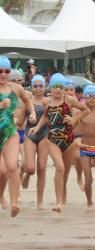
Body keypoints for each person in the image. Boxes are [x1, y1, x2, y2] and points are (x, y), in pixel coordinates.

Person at [27, 73, 82, 213]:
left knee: (66, 172)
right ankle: (58, 203)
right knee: (60, 167)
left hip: (68, 139)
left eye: (60, 87)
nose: (58, 89)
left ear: (64, 88)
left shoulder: (69, 100)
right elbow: (46, 116)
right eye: (55, 87)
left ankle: (63, 191)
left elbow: (86, 110)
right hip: (52, 139)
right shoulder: (48, 102)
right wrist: (37, 128)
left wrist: (74, 119)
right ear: (50, 88)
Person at [0, 57, 35, 217]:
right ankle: (1, 195)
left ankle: (14, 203)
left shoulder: (15, 88)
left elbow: (27, 99)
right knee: (2, 171)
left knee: (12, 167)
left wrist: (32, 112)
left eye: (6, 71)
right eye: (0, 71)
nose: (3, 74)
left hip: (10, 133)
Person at [21, 76, 49, 210]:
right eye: (36, 86)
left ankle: (39, 201)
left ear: (45, 86)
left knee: (42, 168)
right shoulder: (28, 101)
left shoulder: (48, 101)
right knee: (31, 168)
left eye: (41, 86)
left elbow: (52, 118)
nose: (38, 88)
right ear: (32, 87)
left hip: (44, 134)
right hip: (29, 134)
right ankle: (26, 174)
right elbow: (20, 120)